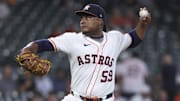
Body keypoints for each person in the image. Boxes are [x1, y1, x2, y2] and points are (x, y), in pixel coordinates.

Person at [17, 3, 151, 101]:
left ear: (100, 21)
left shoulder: (114, 39)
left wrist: (143, 23)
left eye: (88, 17)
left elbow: (135, 38)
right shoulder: (72, 39)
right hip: (76, 98)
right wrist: (27, 50)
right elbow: (43, 44)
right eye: (82, 17)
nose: (82, 20)